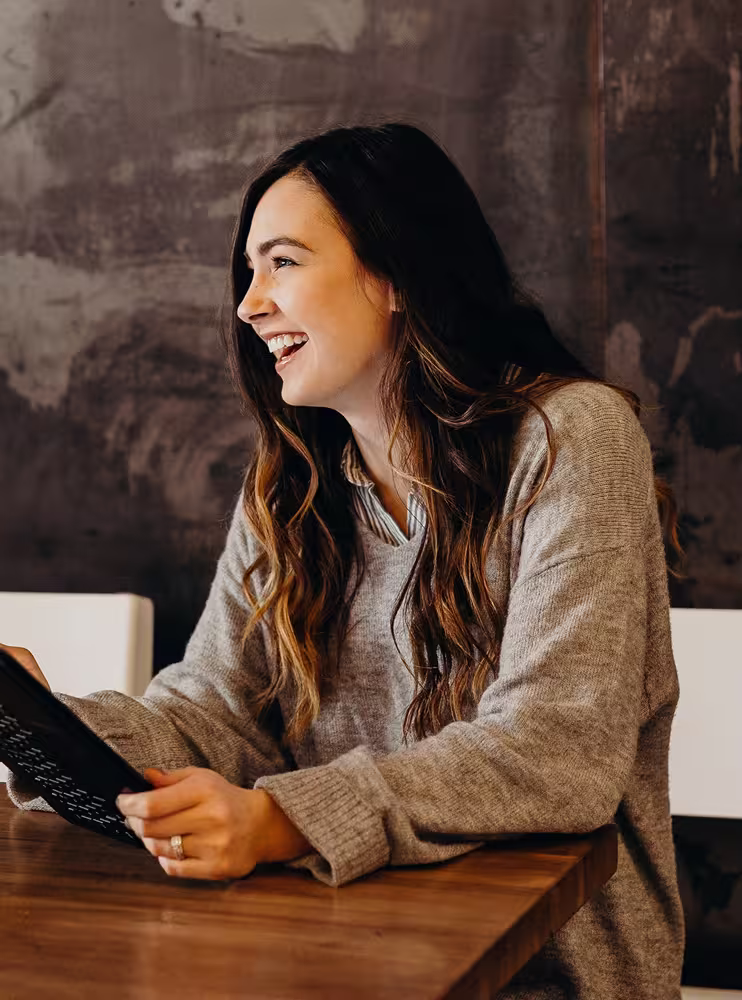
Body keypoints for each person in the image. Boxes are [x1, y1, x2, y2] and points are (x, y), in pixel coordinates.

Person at [1, 122, 685, 998]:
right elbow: (217, 711)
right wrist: (47, 727)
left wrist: (281, 820)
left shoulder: (571, 439)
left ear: (396, 273)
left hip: (542, 975)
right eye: (249, 272)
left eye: (282, 262)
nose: (250, 305)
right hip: (334, 953)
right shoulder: (289, 485)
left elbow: (557, 749)